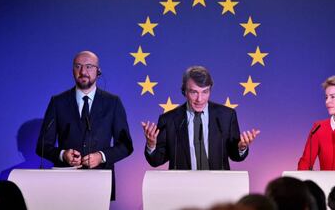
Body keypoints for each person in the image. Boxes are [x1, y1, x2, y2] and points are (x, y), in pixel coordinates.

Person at [36, 51, 134, 200]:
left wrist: (101, 157)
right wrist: (63, 155)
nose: (83, 72)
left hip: (100, 182)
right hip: (65, 183)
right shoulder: (58, 102)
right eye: (78, 66)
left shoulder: (113, 103)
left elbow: (126, 146)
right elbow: (42, 145)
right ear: (72, 71)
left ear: (98, 71)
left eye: (89, 66)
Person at [143, 66, 259, 170]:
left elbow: (235, 156)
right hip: (182, 188)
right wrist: (151, 145)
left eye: (205, 92)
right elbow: (156, 161)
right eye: (194, 92)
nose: (200, 99)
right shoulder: (168, 120)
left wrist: (241, 147)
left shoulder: (227, 116)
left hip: (219, 187)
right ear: (184, 91)